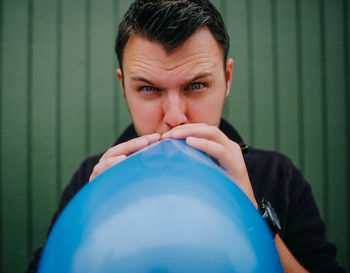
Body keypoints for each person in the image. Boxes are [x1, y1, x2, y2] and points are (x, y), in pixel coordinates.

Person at [27, 0, 345, 272]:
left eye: (195, 85)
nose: (175, 116)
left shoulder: (279, 176)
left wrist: (258, 219)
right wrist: (85, 223)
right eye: (148, 88)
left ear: (227, 77)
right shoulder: (90, 178)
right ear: (123, 86)